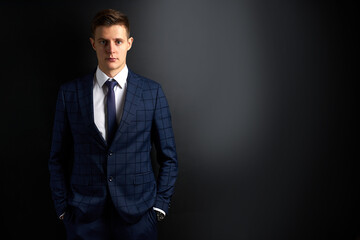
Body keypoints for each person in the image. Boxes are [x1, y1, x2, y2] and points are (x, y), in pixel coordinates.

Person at [48, 9, 178, 240]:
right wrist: (62, 209)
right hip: (84, 218)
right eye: (103, 41)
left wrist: (159, 206)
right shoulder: (70, 93)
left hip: (139, 218)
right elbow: (57, 156)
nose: (111, 49)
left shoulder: (152, 92)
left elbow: (169, 157)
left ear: (129, 43)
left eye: (118, 41)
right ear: (93, 44)